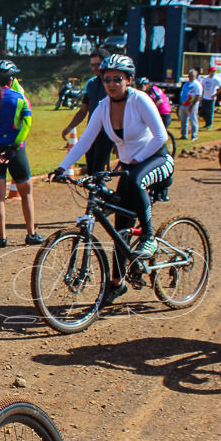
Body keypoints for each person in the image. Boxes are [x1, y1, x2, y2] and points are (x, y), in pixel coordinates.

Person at [51, 54, 173, 304]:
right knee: (121, 229)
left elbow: (161, 136)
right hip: (129, 169)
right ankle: (117, 283)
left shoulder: (140, 100)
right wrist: (62, 168)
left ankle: (149, 237)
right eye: (107, 79)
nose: (112, 83)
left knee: (136, 179)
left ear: (129, 79)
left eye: (118, 78)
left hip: (157, 160)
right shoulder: (103, 106)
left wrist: (137, 159)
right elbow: (85, 140)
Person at [0, 60, 43, 247]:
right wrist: (13, 146)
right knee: (26, 194)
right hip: (16, 152)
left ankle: (2, 236)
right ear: (12, 79)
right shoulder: (21, 99)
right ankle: (31, 233)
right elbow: (27, 125)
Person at [62, 51, 112, 174]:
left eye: (98, 64)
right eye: (92, 65)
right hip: (92, 132)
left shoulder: (112, 84)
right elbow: (84, 109)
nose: (95, 68)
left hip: (107, 132)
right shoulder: (91, 84)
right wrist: (70, 127)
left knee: (98, 171)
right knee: (91, 170)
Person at [178, 69, 202, 141]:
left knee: (193, 120)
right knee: (183, 120)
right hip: (184, 104)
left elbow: (198, 96)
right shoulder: (186, 84)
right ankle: (184, 135)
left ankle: (194, 136)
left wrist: (192, 105)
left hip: (191, 104)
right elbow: (182, 93)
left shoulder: (197, 84)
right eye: (189, 76)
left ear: (195, 76)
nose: (190, 77)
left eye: (191, 76)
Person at [199, 67, 221, 131]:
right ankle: (206, 122)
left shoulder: (215, 79)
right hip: (205, 97)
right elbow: (202, 86)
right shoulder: (205, 79)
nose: (213, 73)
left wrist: (215, 94)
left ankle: (209, 124)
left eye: (214, 71)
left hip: (211, 98)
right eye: (212, 71)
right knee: (203, 111)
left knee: (210, 112)